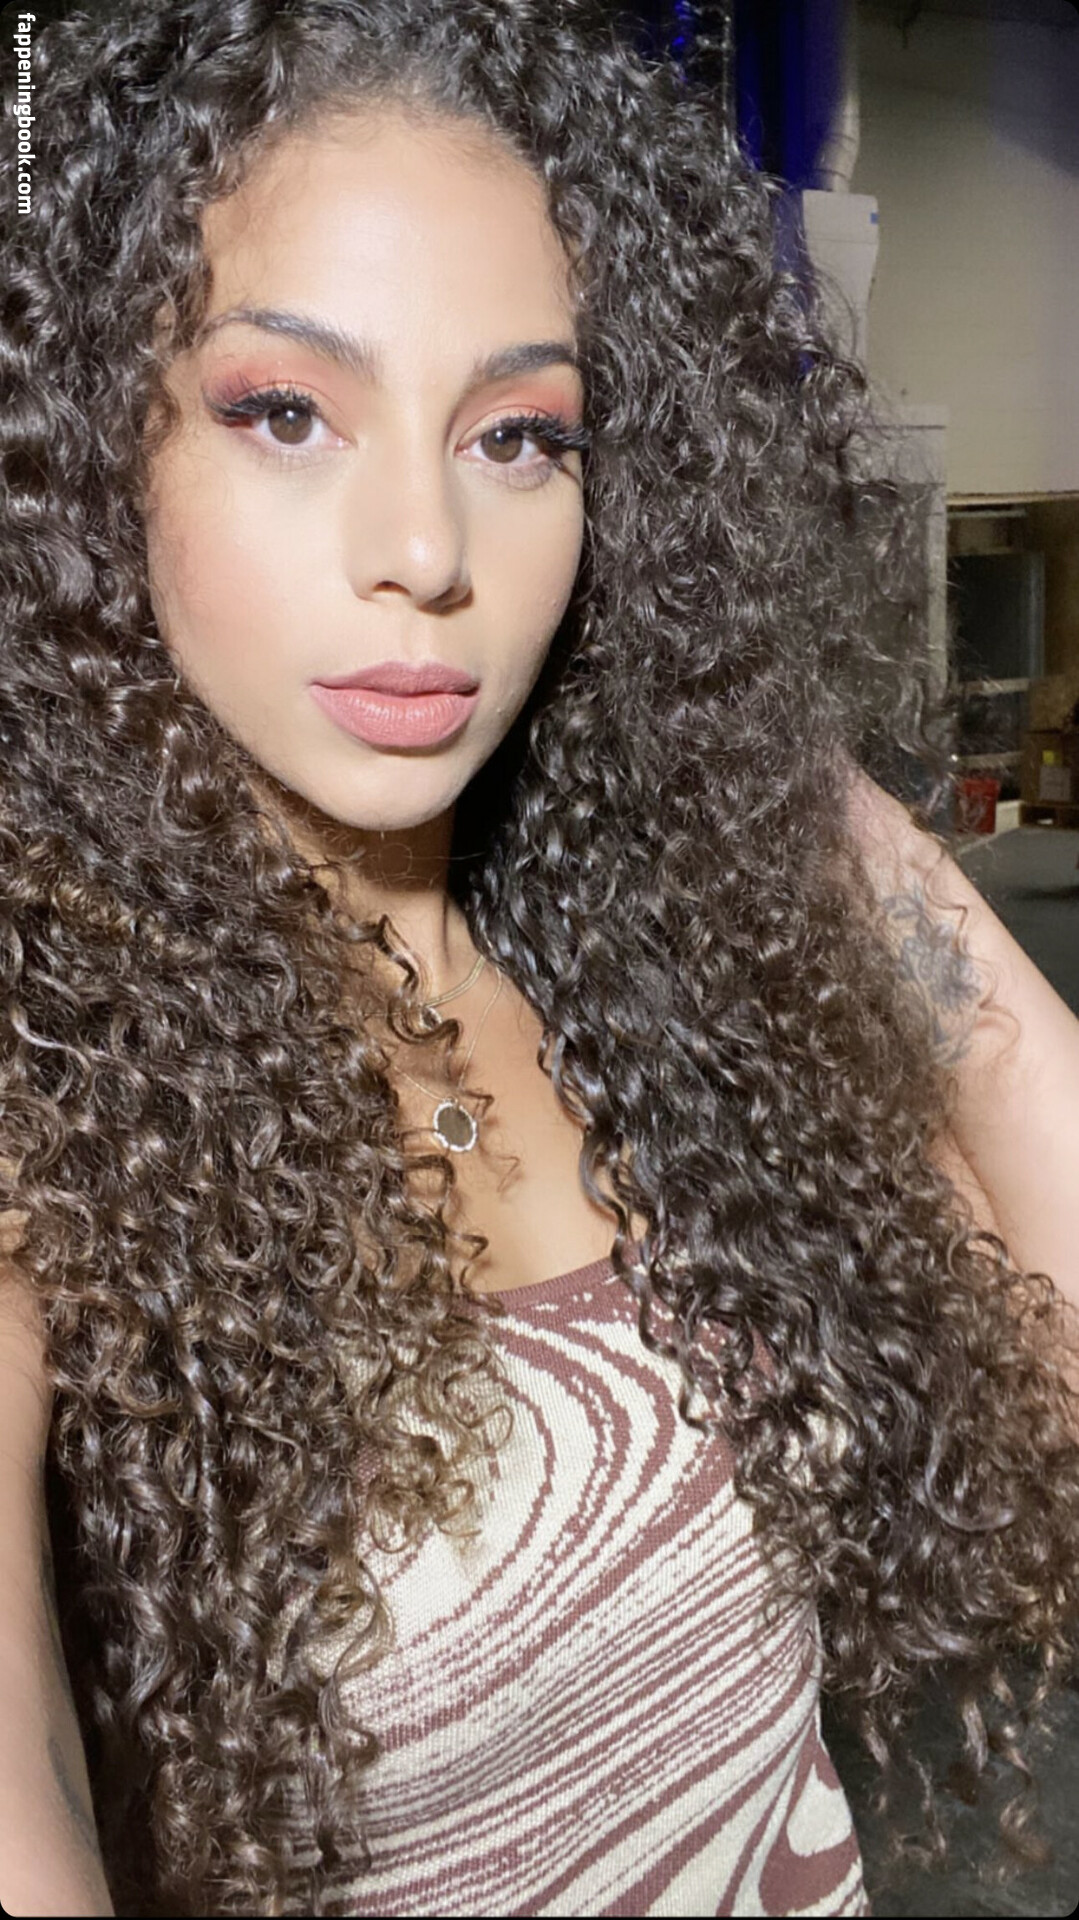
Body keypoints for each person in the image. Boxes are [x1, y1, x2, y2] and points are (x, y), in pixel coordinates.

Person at [1, 2, 1077, 1915]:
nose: (426, 547)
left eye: (519, 435)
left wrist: (780, 783)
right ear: (92, 449)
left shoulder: (645, 991)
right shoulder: (57, 1112)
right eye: (284, 412)